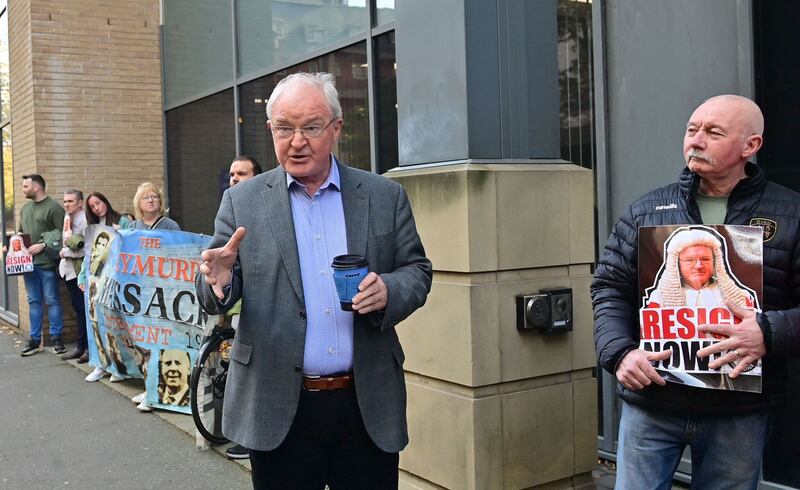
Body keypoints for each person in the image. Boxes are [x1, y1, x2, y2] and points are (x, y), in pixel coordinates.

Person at [196, 72, 432, 488]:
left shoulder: (382, 196)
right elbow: (215, 286)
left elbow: (417, 271)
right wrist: (220, 281)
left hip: (365, 404)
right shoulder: (241, 201)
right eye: (284, 128)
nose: (297, 141)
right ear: (271, 129)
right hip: (278, 404)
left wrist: (389, 290)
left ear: (336, 128)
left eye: (311, 127)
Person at [592, 94, 800, 489]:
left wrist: (768, 332)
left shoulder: (790, 213)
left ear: (750, 146)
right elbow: (609, 287)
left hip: (739, 412)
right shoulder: (646, 210)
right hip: (653, 401)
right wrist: (619, 353)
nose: (696, 140)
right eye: (692, 130)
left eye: (713, 132)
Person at [222, 155, 263, 460]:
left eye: (242, 173)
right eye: (232, 174)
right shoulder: (230, 206)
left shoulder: (263, 208)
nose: (235, 178)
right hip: (239, 307)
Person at [645, 227, 754, 308]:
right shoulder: (659, 300)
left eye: (705, 259)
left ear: (715, 262)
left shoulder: (741, 297)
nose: (698, 266)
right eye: (689, 260)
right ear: (676, 264)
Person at [18, 174, 66, 356]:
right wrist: (12, 245)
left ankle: (57, 338)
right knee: (34, 302)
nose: (23, 189)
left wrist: (44, 245)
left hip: (46, 264)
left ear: (36, 187)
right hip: (27, 265)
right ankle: (34, 340)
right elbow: (21, 233)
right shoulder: (25, 209)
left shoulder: (54, 208)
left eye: (25, 186)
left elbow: (62, 234)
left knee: (52, 300)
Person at [59, 190, 89, 362]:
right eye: (65, 201)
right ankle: (80, 347)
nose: (67, 204)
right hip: (68, 271)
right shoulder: (67, 218)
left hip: (80, 271)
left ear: (80, 203)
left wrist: (67, 252)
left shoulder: (84, 220)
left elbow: (88, 248)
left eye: (70, 201)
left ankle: (86, 348)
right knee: (78, 310)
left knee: (83, 310)